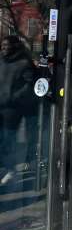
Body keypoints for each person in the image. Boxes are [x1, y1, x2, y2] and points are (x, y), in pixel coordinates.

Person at [0, 36, 37, 187]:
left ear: (15, 46)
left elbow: (28, 86)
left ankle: (11, 170)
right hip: (1, 106)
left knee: (8, 139)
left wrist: (13, 97)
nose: (4, 48)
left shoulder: (24, 63)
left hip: (12, 109)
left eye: (7, 45)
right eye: (2, 45)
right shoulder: (1, 61)